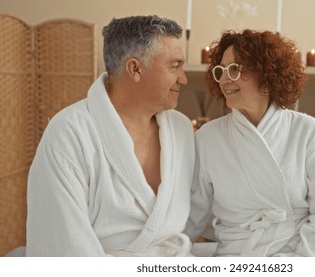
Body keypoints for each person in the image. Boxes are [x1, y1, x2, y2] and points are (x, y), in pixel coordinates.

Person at [26, 15, 195, 256]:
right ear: (135, 69)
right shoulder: (70, 133)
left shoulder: (182, 129)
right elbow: (64, 245)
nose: (183, 78)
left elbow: (198, 214)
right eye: (174, 65)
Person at [184, 29, 315, 256]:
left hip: (296, 254)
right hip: (237, 255)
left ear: (267, 74)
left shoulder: (308, 132)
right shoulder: (207, 138)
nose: (224, 79)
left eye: (235, 69)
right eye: (220, 71)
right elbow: (192, 215)